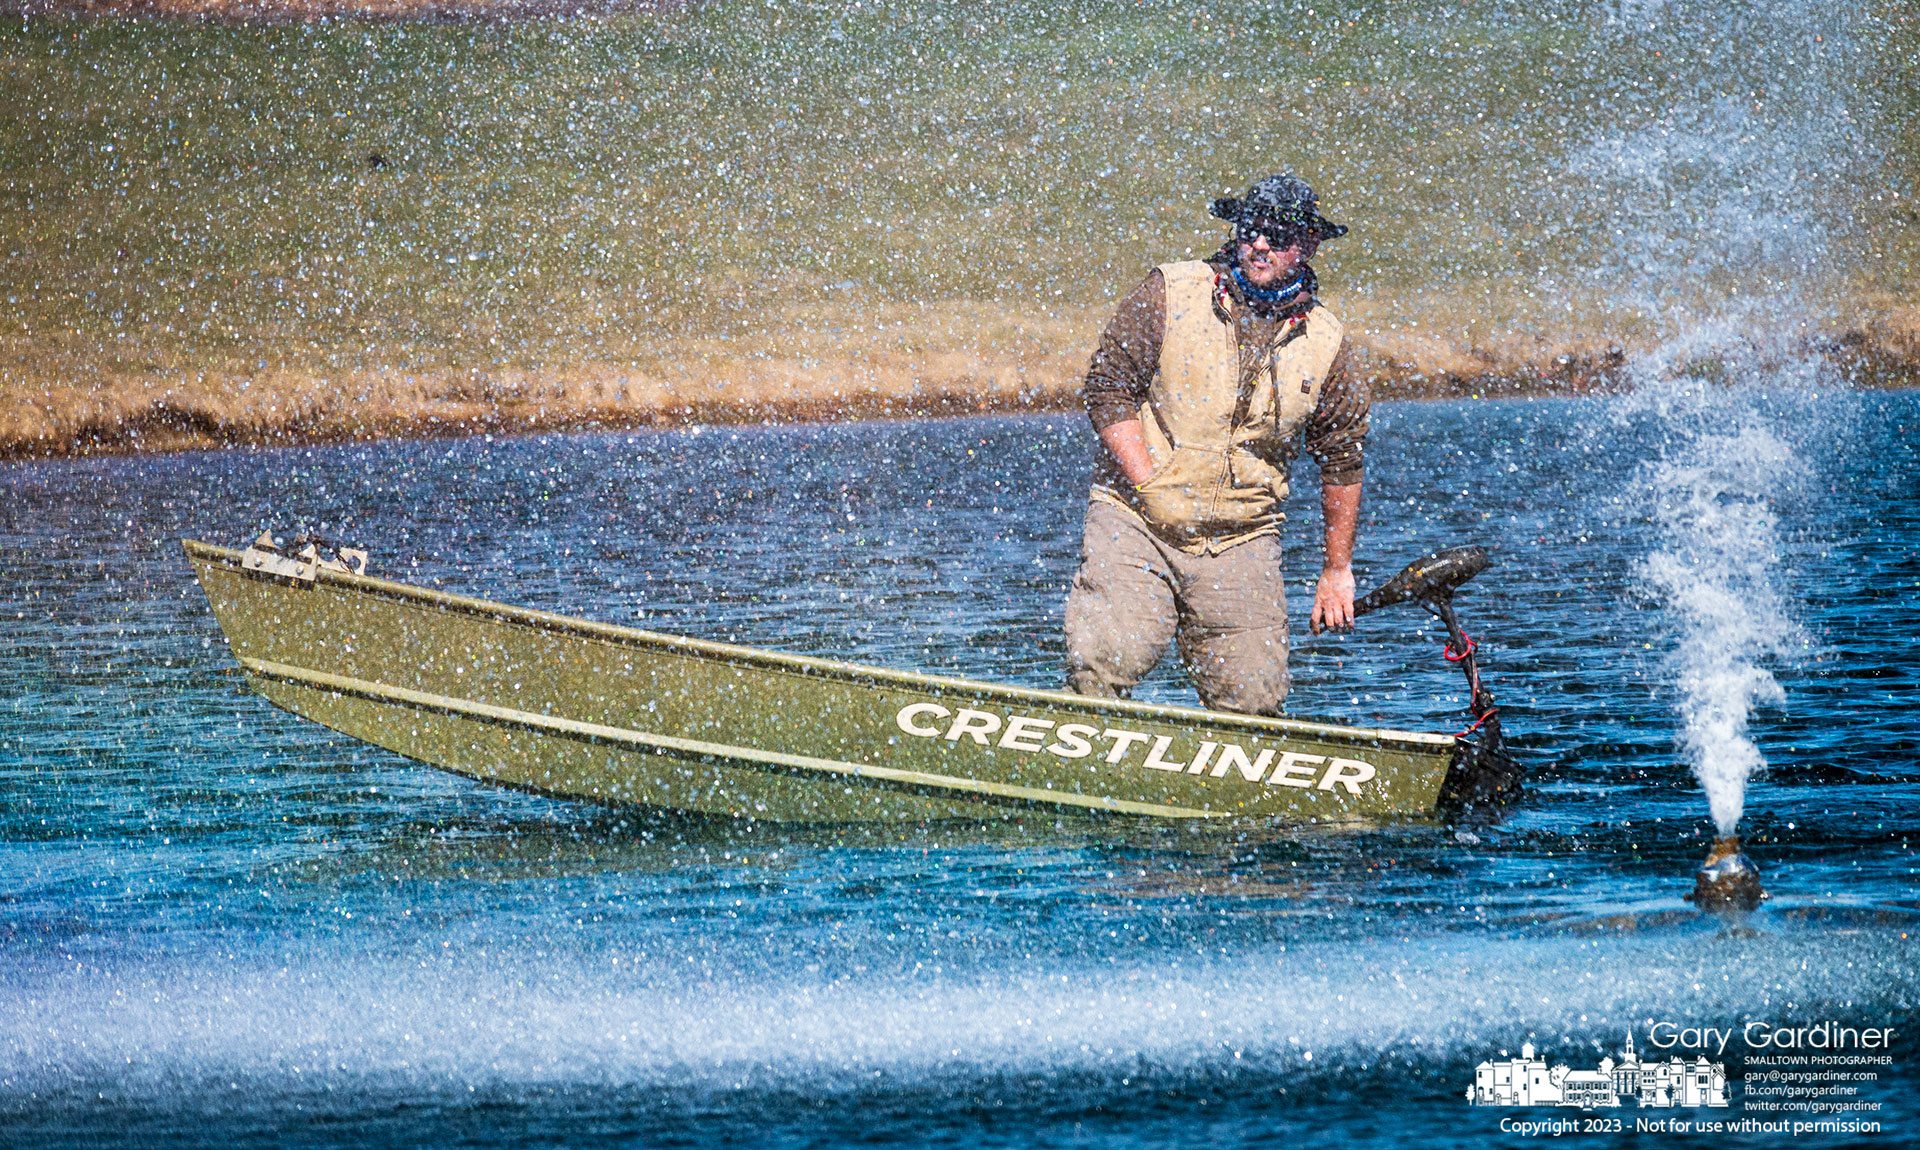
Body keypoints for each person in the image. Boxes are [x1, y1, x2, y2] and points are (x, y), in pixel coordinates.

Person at [1063, 174, 1368, 714]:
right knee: (1111, 655)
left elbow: (1342, 460)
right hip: (1137, 521)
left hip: (1242, 539)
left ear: (1310, 245)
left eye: (1277, 235)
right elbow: (1107, 388)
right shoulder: (1170, 290)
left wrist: (1336, 569)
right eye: (1250, 230)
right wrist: (1150, 484)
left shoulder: (1328, 342)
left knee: (1253, 702)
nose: (1259, 244)